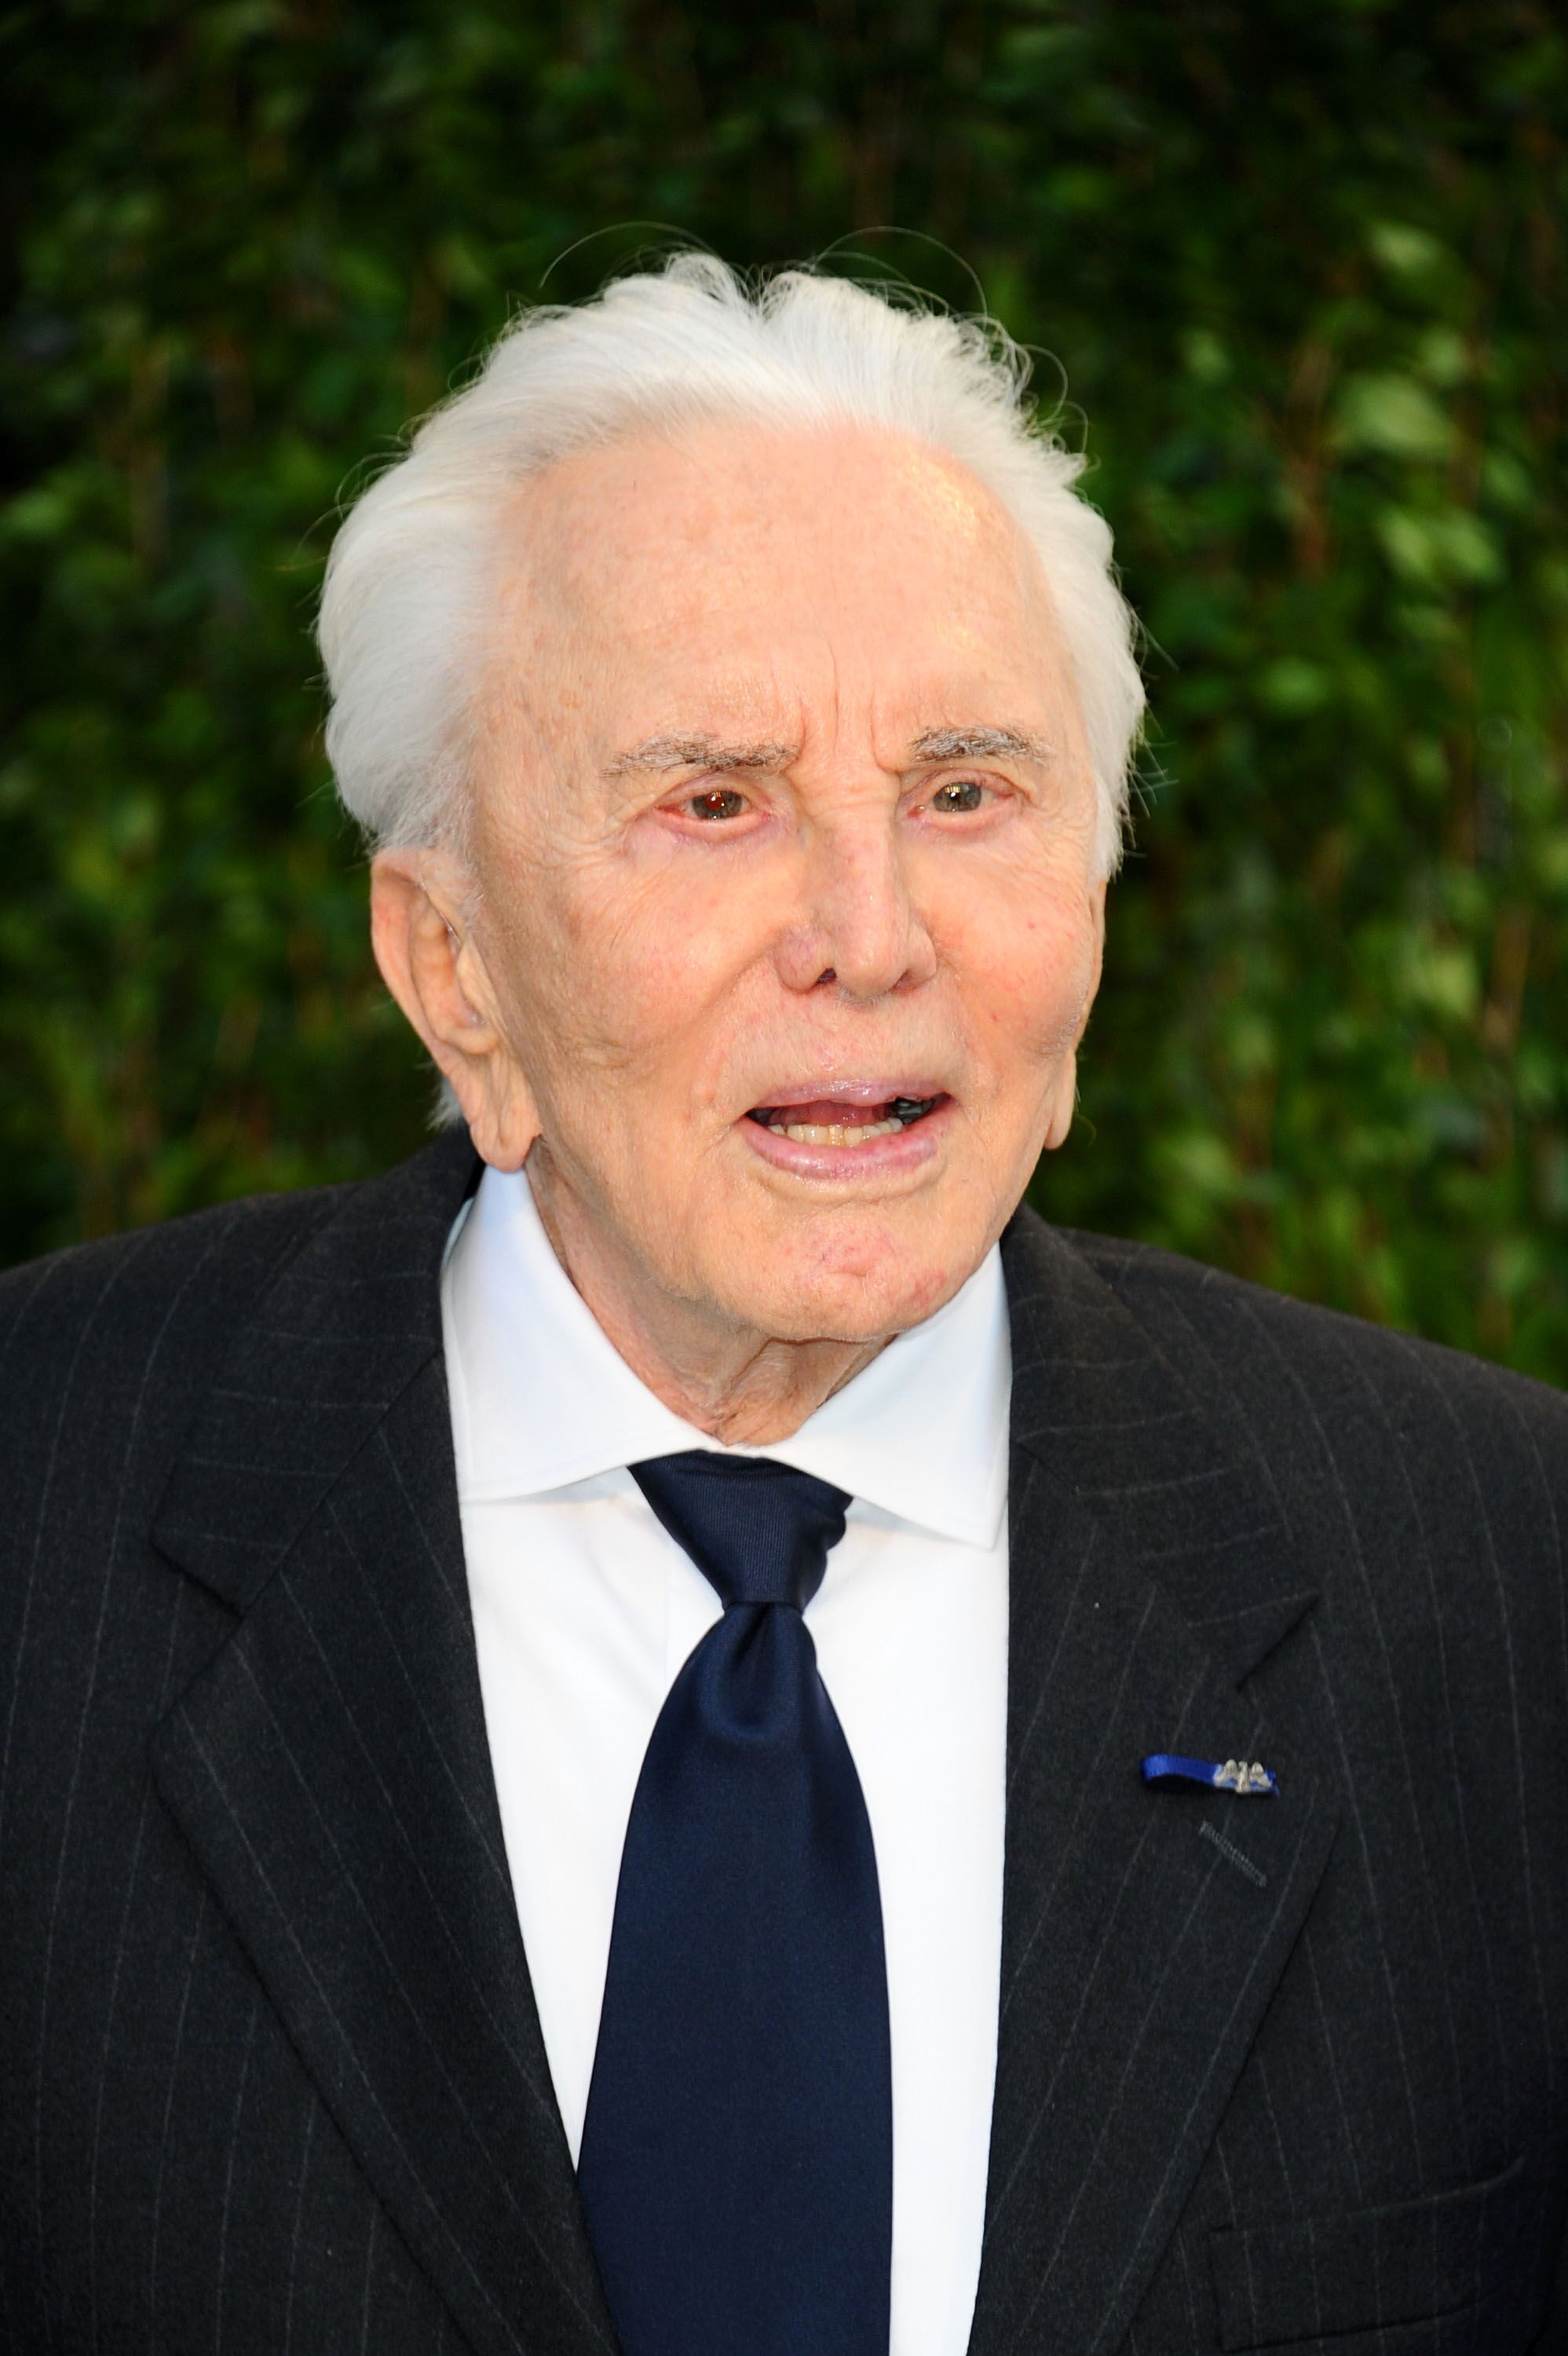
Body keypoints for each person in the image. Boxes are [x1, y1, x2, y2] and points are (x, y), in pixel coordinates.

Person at [2, 255, 1566, 2356]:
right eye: (711, 800)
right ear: (453, 965)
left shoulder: (1502, 1579)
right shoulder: (39, 1517)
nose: (867, 931)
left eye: (964, 792)